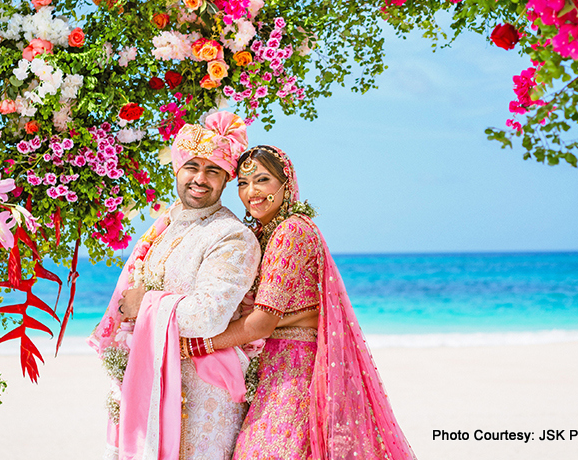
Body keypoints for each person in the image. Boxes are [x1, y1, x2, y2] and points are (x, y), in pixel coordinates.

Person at [181, 145, 417, 460]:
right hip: (276, 366)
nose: (251, 192)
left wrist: (200, 345)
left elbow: (262, 321)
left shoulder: (290, 232)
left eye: (262, 180)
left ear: (285, 183)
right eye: (242, 183)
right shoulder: (268, 233)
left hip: (296, 370)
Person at [88, 111, 261, 460]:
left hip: (202, 396)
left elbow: (209, 316)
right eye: (192, 167)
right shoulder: (165, 227)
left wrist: (144, 304)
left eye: (213, 170)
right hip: (151, 381)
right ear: (176, 169)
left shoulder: (232, 237)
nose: (200, 178)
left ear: (227, 179)